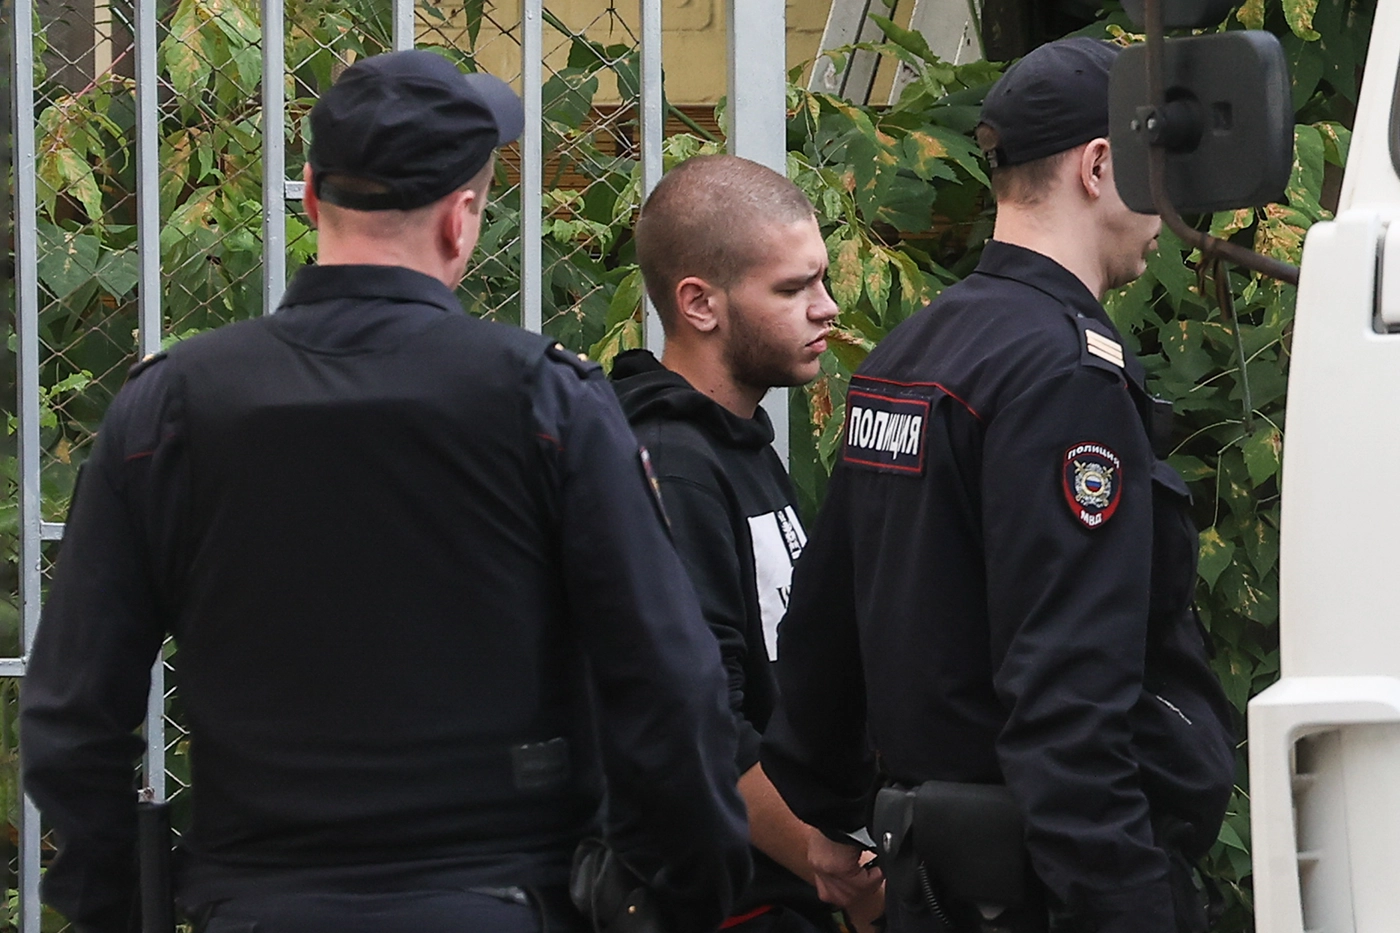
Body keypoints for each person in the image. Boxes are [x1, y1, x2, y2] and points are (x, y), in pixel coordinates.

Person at [20, 50, 750, 933]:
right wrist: (679, 894)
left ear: (312, 196)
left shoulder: (171, 408)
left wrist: (119, 900)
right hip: (498, 901)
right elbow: (669, 684)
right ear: (461, 219)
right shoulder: (545, 402)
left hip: (261, 905)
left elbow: (72, 714)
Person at [760, 37, 1236, 933]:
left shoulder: (913, 351)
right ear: (1100, 166)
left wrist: (830, 811)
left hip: (935, 882)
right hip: (1042, 890)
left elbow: (823, 627)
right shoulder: (1064, 376)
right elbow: (1069, 702)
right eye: (1158, 168)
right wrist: (1127, 906)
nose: (1168, 204)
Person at [611, 154, 881, 933]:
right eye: (793, 289)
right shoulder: (671, 464)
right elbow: (697, 717)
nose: (828, 308)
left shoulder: (736, 443)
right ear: (699, 302)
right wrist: (840, 873)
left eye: (822, 279)